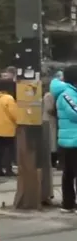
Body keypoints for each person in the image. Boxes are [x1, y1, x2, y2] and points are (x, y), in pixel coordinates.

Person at [51, 67, 77, 212]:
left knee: (69, 173)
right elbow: (75, 112)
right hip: (72, 141)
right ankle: (68, 203)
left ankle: (68, 203)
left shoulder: (70, 92)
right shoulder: (67, 94)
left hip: (70, 139)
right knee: (69, 173)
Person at [0, 78, 18, 177]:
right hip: (8, 128)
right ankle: (8, 169)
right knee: (8, 150)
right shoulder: (9, 98)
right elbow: (14, 114)